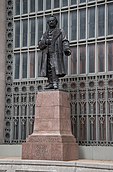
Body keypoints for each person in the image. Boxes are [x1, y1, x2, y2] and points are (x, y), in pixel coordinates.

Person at [38, 15, 71, 89]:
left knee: (54, 67)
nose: (51, 22)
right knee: (48, 68)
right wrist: (46, 41)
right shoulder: (45, 34)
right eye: (49, 21)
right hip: (47, 54)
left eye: (53, 21)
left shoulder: (60, 31)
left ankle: (55, 82)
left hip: (56, 53)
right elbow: (40, 43)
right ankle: (51, 83)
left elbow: (64, 41)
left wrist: (66, 49)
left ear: (56, 22)